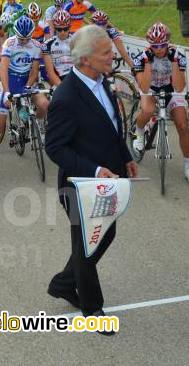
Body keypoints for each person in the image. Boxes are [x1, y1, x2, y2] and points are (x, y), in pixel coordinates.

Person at [44, 25, 138, 333]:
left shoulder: (102, 81)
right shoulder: (66, 97)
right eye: (106, 53)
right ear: (85, 59)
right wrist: (96, 171)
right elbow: (55, 147)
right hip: (80, 187)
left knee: (104, 236)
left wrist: (125, 156)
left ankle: (62, 282)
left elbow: (112, 125)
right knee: (87, 245)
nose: (113, 56)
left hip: (108, 181)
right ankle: (93, 307)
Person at [0, 15, 47, 181]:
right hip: (8, 82)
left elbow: (34, 72)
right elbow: (3, 70)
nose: (24, 41)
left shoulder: (36, 46)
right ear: (15, 33)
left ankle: (35, 123)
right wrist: (6, 92)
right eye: (21, 38)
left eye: (27, 38)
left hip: (26, 81)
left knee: (43, 104)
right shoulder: (9, 44)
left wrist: (27, 87)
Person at [131, 23, 189, 183]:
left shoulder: (177, 56)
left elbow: (180, 86)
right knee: (148, 110)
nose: (159, 49)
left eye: (162, 45)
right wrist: (147, 62)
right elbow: (144, 87)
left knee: (182, 125)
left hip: (170, 88)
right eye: (154, 46)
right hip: (150, 89)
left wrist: (173, 61)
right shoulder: (142, 57)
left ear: (168, 42)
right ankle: (139, 132)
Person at [41, 11, 73, 87]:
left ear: (69, 27)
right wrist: (62, 88)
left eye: (65, 29)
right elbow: (50, 72)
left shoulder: (77, 40)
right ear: (54, 28)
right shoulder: (47, 45)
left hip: (75, 77)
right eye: (59, 29)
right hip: (59, 79)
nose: (62, 32)